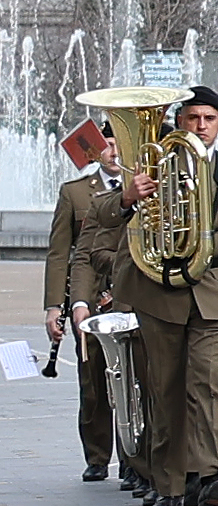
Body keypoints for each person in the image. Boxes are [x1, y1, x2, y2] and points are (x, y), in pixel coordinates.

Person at [77, 88, 218, 506]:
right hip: (158, 290)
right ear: (180, 121)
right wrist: (129, 195)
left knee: (206, 383)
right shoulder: (149, 165)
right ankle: (169, 483)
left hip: (216, 290)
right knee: (164, 390)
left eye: (210, 118)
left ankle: (215, 473)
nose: (201, 125)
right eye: (193, 117)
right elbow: (101, 214)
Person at [46, 119, 124, 485]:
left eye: (121, 144)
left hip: (131, 296)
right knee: (93, 382)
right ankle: (97, 456)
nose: (115, 152)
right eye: (107, 144)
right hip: (90, 300)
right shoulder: (76, 193)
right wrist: (54, 307)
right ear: (96, 149)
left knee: (134, 381)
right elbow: (60, 253)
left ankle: (133, 457)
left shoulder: (151, 188)